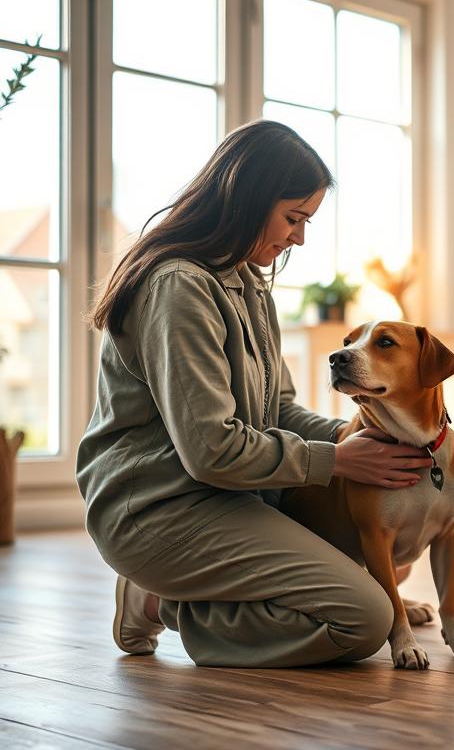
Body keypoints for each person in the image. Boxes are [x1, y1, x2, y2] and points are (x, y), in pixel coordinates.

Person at [76, 120, 434, 668]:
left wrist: (359, 439)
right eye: (294, 218)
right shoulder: (178, 287)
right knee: (365, 618)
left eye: (306, 221)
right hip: (156, 510)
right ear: (246, 200)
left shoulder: (248, 282)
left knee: (392, 561)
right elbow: (211, 449)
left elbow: (279, 408)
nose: (300, 237)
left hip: (233, 496)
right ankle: (159, 601)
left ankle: (182, 590)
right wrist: (336, 460)